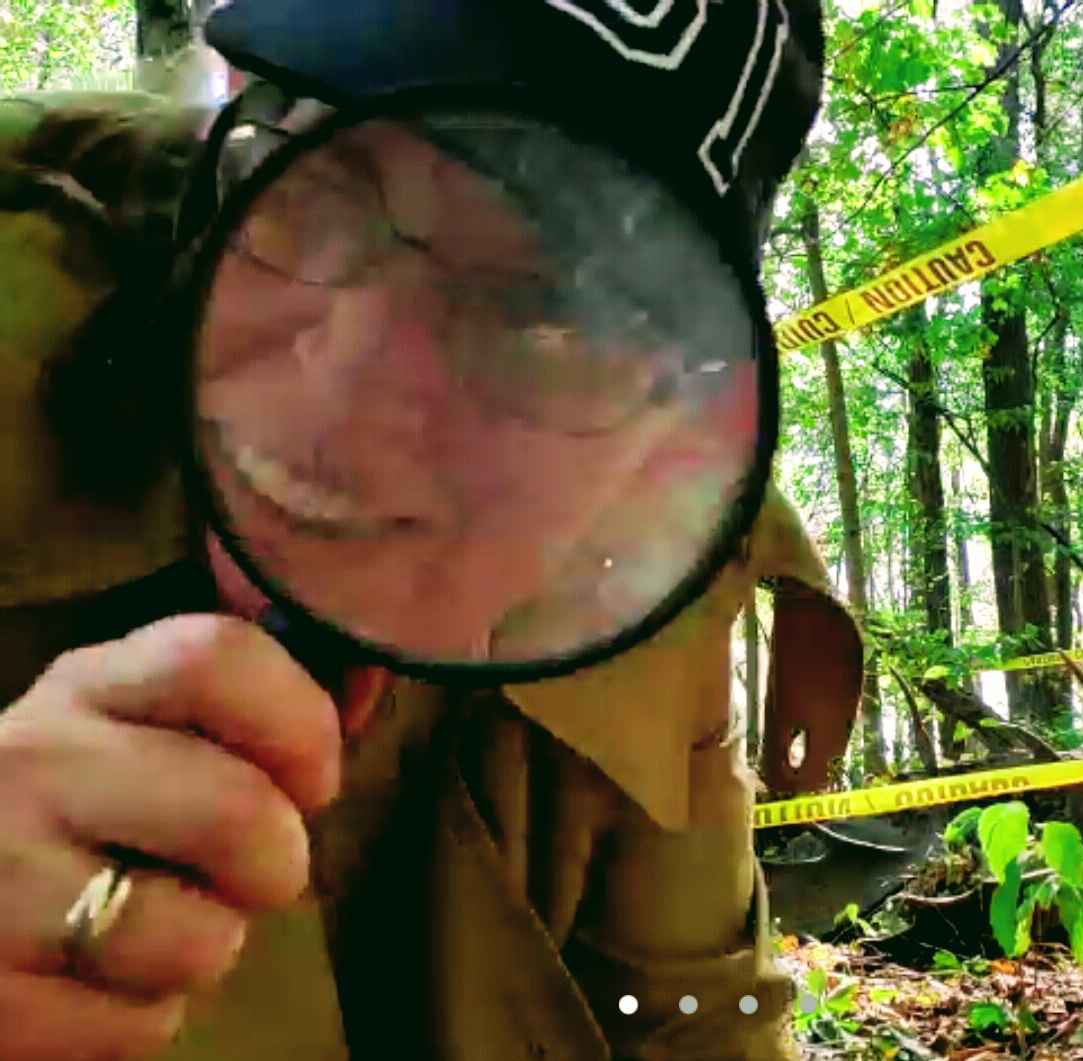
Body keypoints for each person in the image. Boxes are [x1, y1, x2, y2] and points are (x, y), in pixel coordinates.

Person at [0, 2, 865, 1059]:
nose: (347, 397)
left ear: (667, 417)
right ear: (226, 133)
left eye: (535, 308)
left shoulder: (648, 566)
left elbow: (695, 1023)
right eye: (322, 187)